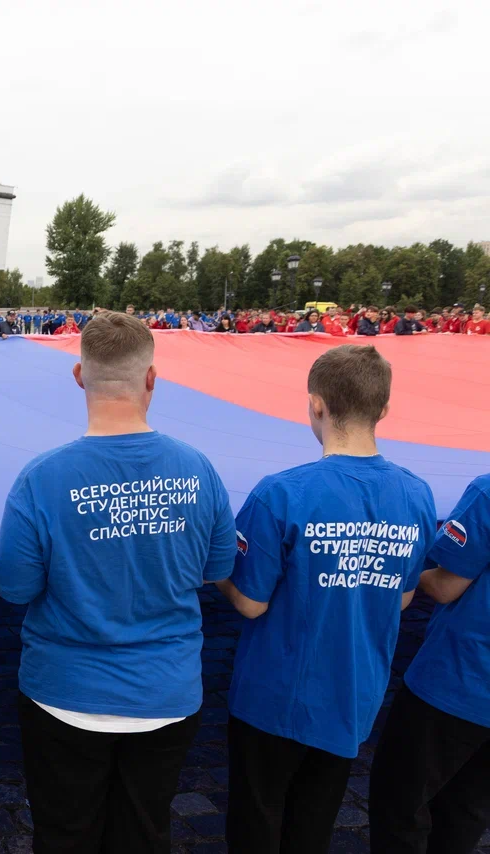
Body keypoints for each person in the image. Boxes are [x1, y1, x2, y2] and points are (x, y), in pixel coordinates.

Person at [0, 312, 235, 854]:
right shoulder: (198, 469)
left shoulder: (42, 478)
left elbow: (14, 588)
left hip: (65, 694)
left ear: (79, 375)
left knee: (63, 835)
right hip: (164, 691)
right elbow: (217, 568)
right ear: (151, 378)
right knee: (145, 832)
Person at [216, 345, 436, 854]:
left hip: (274, 697)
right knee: (314, 825)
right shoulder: (417, 494)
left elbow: (250, 602)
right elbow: (402, 598)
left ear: (316, 404)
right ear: (384, 408)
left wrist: (213, 567)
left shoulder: (281, 493)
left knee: (256, 823)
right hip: (353, 695)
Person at [369, 473, 490, 854]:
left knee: (399, 806)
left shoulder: (487, 492)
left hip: (459, 680)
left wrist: (397, 565)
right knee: (467, 812)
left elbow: (444, 586)